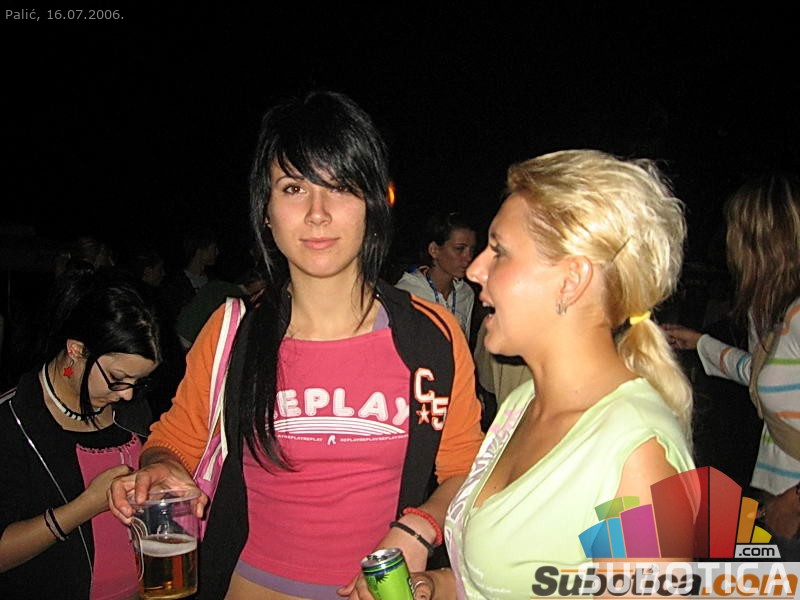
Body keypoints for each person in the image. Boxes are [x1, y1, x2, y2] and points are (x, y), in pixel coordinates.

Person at [109, 90, 483, 600]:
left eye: (341, 188)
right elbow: (175, 440)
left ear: (372, 207)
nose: (317, 213)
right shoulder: (232, 331)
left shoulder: (430, 336)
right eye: (293, 188)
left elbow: (465, 469)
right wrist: (161, 467)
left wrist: (421, 528)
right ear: (266, 211)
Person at [409, 150, 697, 599]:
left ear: (571, 280)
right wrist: (437, 585)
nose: (477, 269)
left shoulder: (639, 458)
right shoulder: (522, 403)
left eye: (499, 251)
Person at [0, 266, 161, 599]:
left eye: (139, 381)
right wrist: (86, 505)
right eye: (118, 378)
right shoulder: (13, 421)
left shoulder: (133, 413)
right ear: (76, 350)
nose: (128, 394)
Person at [663, 171, 800, 539]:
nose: (728, 241)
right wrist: (699, 343)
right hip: (774, 493)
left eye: (734, 228)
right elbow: (762, 376)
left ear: (760, 239)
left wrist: (794, 502)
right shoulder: (776, 311)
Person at [395, 212, 477, 342]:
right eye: (459, 249)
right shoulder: (407, 292)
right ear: (434, 250)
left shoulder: (466, 293)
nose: (468, 257)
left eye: (471, 250)